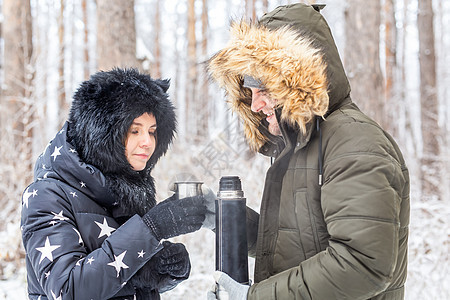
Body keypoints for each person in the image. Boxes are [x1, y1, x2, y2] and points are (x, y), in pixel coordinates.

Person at [206, 3, 410, 300]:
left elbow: (362, 263)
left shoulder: (355, 143)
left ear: (296, 80)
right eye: (249, 91)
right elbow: (295, 239)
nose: (254, 105)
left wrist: (255, 297)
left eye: (264, 89)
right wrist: (220, 217)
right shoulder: (303, 145)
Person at [20, 68, 207, 300]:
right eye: (134, 130)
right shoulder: (47, 195)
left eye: (152, 131)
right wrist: (152, 228)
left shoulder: (126, 189)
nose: (147, 142)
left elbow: (120, 278)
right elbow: (67, 290)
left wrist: (161, 271)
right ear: (102, 134)